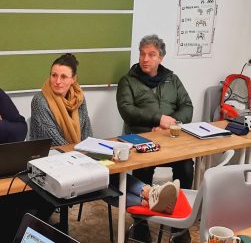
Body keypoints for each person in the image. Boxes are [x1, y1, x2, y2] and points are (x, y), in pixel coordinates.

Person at [29, 53, 178, 213]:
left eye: (64, 77)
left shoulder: (78, 98)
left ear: (73, 79)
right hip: (53, 161)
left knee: (109, 171)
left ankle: (149, 192)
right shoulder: (40, 101)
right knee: (101, 181)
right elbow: (56, 143)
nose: (57, 81)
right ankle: (150, 200)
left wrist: (93, 154)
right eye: (54, 75)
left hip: (77, 155)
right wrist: (85, 157)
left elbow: (87, 135)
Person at [116, 34, 193, 242]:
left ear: (161, 58)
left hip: (170, 138)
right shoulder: (128, 81)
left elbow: (187, 106)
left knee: (186, 167)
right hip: (140, 139)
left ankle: (180, 221)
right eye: (142, 54)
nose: (145, 59)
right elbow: (127, 111)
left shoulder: (172, 79)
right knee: (143, 168)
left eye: (151, 54)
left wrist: (171, 123)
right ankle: (140, 221)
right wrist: (159, 119)